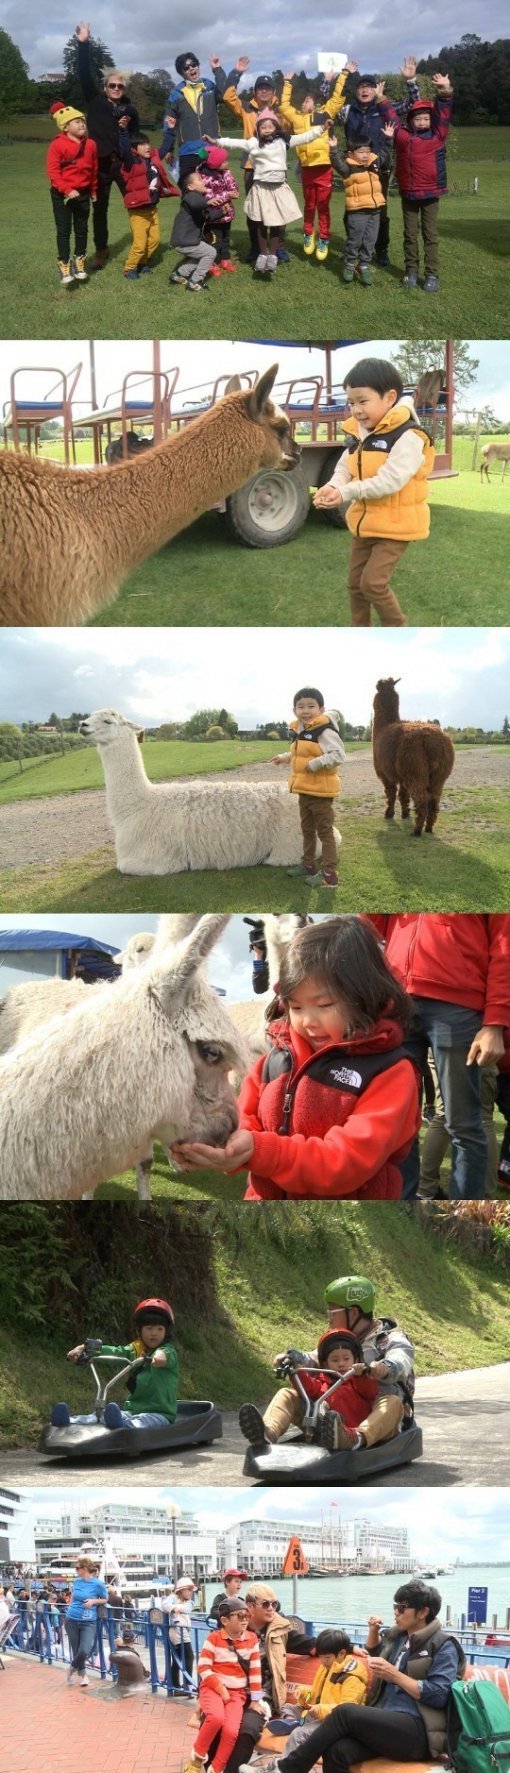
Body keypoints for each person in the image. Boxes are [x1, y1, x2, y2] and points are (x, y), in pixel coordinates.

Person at [172, 919, 421, 1201]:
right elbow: (246, 1119)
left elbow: (345, 1162)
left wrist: (261, 1150)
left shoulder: (389, 1071)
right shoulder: (275, 1058)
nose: (308, 1021)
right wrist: (226, 1148)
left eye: (324, 1005)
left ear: (364, 995)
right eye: (296, 1006)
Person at [368, 913, 510, 1198]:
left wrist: (495, 1021)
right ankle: (405, 1214)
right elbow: (368, 928)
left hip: (456, 1005)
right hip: (397, 1003)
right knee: (397, 1122)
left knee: (463, 1124)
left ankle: (464, 1213)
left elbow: (504, 944)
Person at [265, 1582, 465, 1772]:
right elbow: (375, 1653)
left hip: (418, 1732)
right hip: (385, 1724)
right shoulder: (400, 1638)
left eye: (402, 1607)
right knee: (336, 1751)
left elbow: (440, 1695)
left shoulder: (443, 1645)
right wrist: (374, 1633)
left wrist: (395, 1676)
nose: (396, 1612)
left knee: (346, 1712)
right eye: (395, 1606)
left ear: (423, 1612)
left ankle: (287, 1769)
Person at [313, 357, 435, 626]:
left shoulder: (409, 437)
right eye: (351, 402)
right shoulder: (361, 435)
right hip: (365, 525)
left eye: (362, 401)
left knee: (373, 585)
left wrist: (346, 493)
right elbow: (345, 467)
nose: (355, 410)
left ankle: (397, 631)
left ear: (390, 397)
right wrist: (333, 485)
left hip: (395, 527)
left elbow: (390, 481)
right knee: (355, 586)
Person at [241, 1273, 416, 1455]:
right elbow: (314, 1359)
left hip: (377, 1416)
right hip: (332, 1418)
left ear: (353, 1312)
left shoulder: (390, 1338)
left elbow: (401, 1358)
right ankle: (267, 1433)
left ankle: (356, 1438)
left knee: (392, 1402)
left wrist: (383, 1367)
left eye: (332, 1312)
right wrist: (291, 1359)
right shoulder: (338, 1341)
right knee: (287, 1394)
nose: (328, 1318)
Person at [216, 113, 330, 274]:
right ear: (258, 129)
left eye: (270, 126)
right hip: (262, 188)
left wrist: (322, 128)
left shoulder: (284, 141)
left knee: (276, 223)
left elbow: (306, 137)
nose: (267, 130)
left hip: (278, 188)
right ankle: (263, 254)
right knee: (261, 223)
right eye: (263, 127)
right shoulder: (254, 143)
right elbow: (235, 143)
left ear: (276, 127)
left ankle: (273, 255)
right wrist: (217, 141)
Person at [239, 1329, 378, 1457]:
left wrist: (362, 1374)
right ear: (325, 1364)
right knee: (285, 1393)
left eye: (346, 1359)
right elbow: (308, 1388)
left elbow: (371, 1393)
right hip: (321, 1427)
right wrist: (294, 1366)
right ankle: (267, 1433)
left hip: (348, 1433)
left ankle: (343, 1436)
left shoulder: (359, 1382)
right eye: (335, 1360)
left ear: (356, 1360)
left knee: (334, 1415)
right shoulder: (322, 1382)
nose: (341, 1364)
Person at [50, 1296, 179, 1430]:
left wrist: (159, 1357)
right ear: (140, 1331)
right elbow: (117, 1352)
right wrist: (84, 1348)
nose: (154, 1333)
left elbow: (165, 1355)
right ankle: (69, 1421)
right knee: (102, 1415)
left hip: (159, 1414)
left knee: (141, 1422)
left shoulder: (168, 1350)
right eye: (149, 1328)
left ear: (166, 1331)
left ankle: (122, 1427)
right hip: (133, 1409)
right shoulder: (136, 1349)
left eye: (159, 1329)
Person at [337, 62, 419, 266]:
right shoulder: (347, 110)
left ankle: (381, 249)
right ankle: (353, 249)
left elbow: (414, 104)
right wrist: (334, 79)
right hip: (353, 168)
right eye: (361, 87)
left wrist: (410, 80)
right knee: (351, 212)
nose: (364, 89)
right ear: (356, 91)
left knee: (379, 212)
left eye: (369, 86)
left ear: (376, 90)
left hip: (379, 167)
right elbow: (324, 109)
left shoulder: (385, 108)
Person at [379, 67, 453, 290]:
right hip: (409, 194)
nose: (422, 122)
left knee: (430, 235)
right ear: (410, 121)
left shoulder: (438, 135)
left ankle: (432, 275)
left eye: (426, 118)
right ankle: (411, 271)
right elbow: (390, 116)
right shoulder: (402, 137)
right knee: (410, 234)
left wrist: (445, 91)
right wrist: (381, 98)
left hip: (431, 194)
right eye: (418, 118)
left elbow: (444, 111)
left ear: (432, 121)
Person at [75, 22, 140, 269]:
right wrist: (83, 44)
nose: (115, 88)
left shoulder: (130, 109)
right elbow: (83, 74)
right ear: (105, 88)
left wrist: (126, 129)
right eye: (112, 85)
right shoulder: (95, 101)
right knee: (99, 210)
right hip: (99, 165)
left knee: (136, 205)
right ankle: (101, 250)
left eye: (119, 86)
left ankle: (140, 246)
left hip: (124, 164)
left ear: (123, 89)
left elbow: (137, 137)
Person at [278, 64, 356, 262]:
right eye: (303, 100)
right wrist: (287, 83)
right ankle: (307, 234)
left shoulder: (324, 114)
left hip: (324, 167)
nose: (303, 103)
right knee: (309, 206)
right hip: (306, 169)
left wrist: (344, 73)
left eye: (307, 100)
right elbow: (284, 106)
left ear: (315, 103)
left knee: (323, 206)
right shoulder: (296, 118)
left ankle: (323, 238)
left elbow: (337, 97)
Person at [272, 686, 345, 888]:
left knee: (325, 832)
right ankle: (308, 864)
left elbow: (338, 755)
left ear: (321, 709)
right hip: (305, 790)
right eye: (301, 706)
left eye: (311, 706)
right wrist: (285, 758)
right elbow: (301, 755)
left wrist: (315, 764)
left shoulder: (324, 730)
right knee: (307, 829)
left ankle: (329, 874)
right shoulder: (302, 731)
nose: (305, 710)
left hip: (321, 792)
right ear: (294, 710)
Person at [184, 1597, 264, 1773]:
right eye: (240, 1616)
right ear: (224, 1621)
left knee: (230, 1731)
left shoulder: (252, 1639)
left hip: (238, 1693)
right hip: (213, 1688)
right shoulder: (213, 1639)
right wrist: (221, 1689)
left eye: (247, 1616)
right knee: (216, 1718)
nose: (245, 1619)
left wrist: (256, 1700)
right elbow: (204, 1668)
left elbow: (255, 1672)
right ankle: (196, 1760)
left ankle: (217, 1768)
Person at [221, 63, 290, 263]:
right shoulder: (247, 108)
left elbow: (290, 129)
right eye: (260, 88)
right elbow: (227, 97)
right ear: (255, 91)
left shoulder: (281, 109)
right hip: (252, 168)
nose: (264, 90)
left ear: (273, 91)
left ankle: (279, 248)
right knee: (254, 210)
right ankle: (255, 248)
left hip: (275, 168)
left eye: (267, 88)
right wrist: (237, 73)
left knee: (278, 209)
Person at [279, 1628, 369, 1756]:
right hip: (318, 1714)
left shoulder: (351, 1676)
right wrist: (304, 1693)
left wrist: (319, 1710)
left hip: (335, 1723)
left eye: (327, 1657)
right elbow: (315, 1693)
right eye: (321, 1657)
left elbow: (347, 1710)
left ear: (342, 1653)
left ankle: (281, 1768)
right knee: (286, 1707)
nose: (323, 1661)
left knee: (298, 1734)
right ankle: (291, 1722)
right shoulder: (326, 1667)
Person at [329, 127, 394, 285]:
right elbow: (336, 163)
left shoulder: (374, 164)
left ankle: (364, 265)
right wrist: (333, 149)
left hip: (375, 211)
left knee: (370, 241)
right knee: (355, 240)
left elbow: (385, 153)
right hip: (357, 212)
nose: (365, 155)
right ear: (351, 153)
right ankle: (350, 264)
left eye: (367, 151)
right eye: (360, 151)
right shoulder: (348, 168)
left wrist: (388, 139)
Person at [46, 98, 98, 284]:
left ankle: (79, 263)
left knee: (82, 230)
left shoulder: (91, 145)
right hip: (62, 195)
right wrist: (67, 190)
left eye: (82, 121)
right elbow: (53, 172)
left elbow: (93, 169)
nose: (81, 124)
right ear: (65, 127)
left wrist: (92, 190)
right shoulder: (57, 145)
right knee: (64, 230)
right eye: (76, 121)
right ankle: (64, 265)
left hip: (83, 194)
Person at [119, 129, 177, 278]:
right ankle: (130, 268)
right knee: (139, 244)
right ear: (134, 148)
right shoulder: (130, 162)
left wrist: (170, 129)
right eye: (142, 144)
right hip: (138, 212)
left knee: (155, 240)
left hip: (152, 209)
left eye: (147, 143)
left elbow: (165, 145)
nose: (147, 147)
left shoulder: (153, 159)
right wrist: (123, 130)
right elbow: (125, 149)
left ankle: (142, 263)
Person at [161, 53, 228, 162]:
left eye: (194, 65)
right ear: (181, 73)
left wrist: (218, 70)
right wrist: (169, 149)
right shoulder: (176, 94)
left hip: (213, 149)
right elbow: (169, 123)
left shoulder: (209, 86)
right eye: (186, 68)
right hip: (188, 152)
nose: (191, 68)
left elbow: (227, 94)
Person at [169, 163, 225, 290]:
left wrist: (222, 212)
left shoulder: (198, 200)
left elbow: (207, 216)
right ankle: (195, 281)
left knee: (203, 256)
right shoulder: (190, 197)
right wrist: (208, 202)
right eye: (199, 179)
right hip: (184, 240)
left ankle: (179, 274)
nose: (203, 181)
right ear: (190, 186)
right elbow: (196, 203)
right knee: (211, 252)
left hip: (184, 240)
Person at [65, 1555, 107, 1688]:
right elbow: (73, 1598)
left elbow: (105, 1599)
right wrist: (69, 1610)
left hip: (89, 1621)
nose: (76, 1570)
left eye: (77, 1568)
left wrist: (94, 1601)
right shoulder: (76, 1582)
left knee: (84, 1650)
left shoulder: (98, 1584)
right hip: (71, 1619)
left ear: (85, 1568)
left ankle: (71, 1668)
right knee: (77, 1650)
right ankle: (84, 1676)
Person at [200, 146, 239, 272]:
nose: (227, 162)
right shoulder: (205, 178)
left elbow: (233, 187)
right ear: (215, 164)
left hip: (227, 213)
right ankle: (209, 262)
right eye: (224, 161)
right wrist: (228, 195)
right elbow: (209, 197)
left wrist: (232, 186)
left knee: (226, 238)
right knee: (216, 240)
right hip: (214, 215)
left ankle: (225, 259)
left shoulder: (225, 172)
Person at [164, 1576, 196, 1691]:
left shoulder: (188, 1602)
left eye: (192, 1590)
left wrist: (175, 1607)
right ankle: (187, 1685)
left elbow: (187, 1609)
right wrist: (174, 1608)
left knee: (178, 1660)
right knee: (188, 1657)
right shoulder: (173, 1597)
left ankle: (176, 1685)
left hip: (182, 1631)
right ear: (181, 1590)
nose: (191, 1592)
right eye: (189, 1589)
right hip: (177, 1631)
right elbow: (165, 1606)